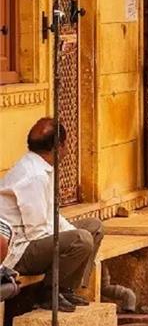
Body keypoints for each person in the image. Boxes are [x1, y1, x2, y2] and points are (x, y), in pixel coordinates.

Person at [0, 118, 104, 312]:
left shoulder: (42, 166)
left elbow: (51, 215)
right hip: (19, 251)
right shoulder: (34, 176)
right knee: (81, 240)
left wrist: (73, 233)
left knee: (94, 228)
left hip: (34, 238)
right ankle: (48, 293)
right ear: (59, 147)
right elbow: (37, 231)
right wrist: (76, 239)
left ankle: (66, 288)